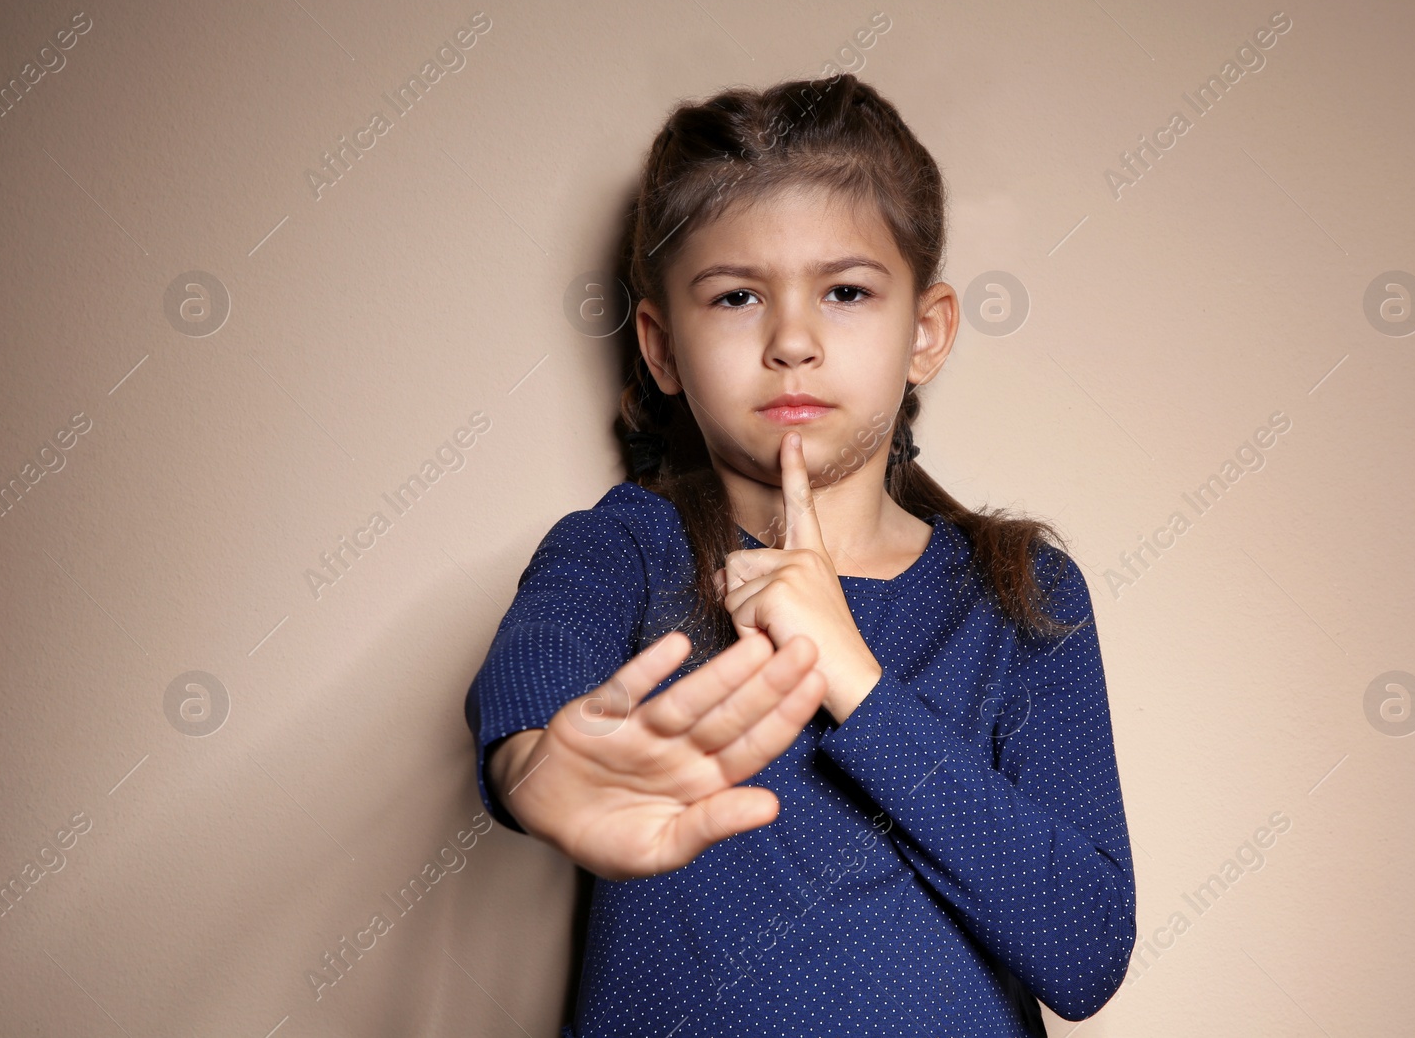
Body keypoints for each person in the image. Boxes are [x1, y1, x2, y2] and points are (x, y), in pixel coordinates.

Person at [463, 72, 1135, 1038]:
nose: (792, 340)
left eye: (847, 291)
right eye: (736, 296)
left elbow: (1086, 948)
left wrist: (850, 672)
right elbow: (535, 683)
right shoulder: (627, 547)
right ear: (659, 347)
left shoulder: (1019, 593)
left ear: (926, 331)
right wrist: (539, 772)